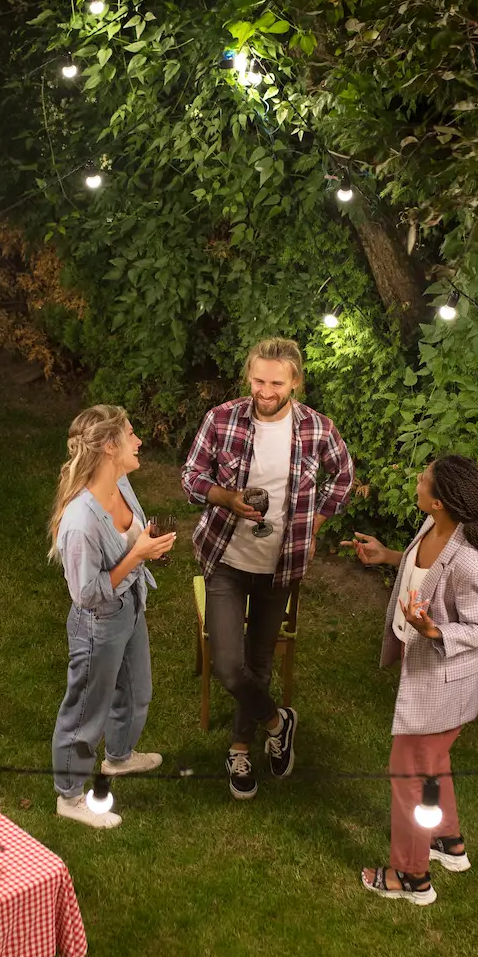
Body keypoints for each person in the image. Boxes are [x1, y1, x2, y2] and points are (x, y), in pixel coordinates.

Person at [181, 337, 354, 800]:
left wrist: (315, 522)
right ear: (248, 375)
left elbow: (344, 476)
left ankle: (241, 748)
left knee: (258, 661)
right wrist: (226, 498)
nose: (266, 390)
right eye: (258, 379)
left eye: (277, 382)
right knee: (231, 667)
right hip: (226, 559)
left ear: (295, 381)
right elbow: (191, 477)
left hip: (282, 565)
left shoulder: (318, 430)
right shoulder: (222, 418)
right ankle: (279, 721)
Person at [346, 453, 478, 905]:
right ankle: (447, 842)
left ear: (438, 501)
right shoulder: (435, 529)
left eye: (423, 479)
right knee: (432, 766)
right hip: (427, 676)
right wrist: (387, 557)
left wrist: (433, 630)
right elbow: (423, 569)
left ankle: (411, 876)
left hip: (442, 686)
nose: (417, 481)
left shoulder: (470, 561)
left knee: (409, 777)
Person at [49, 406, 177, 829]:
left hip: (130, 607)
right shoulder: (80, 521)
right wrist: (139, 553)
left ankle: (119, 757)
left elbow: (132, 541)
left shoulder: (121, 482)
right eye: (131, 433)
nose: (138, 441)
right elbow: (85, 594)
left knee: (137, 690)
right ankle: (69, 796)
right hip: (97, 624)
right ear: (109, 447)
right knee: (87, 709)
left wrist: (147, 546)